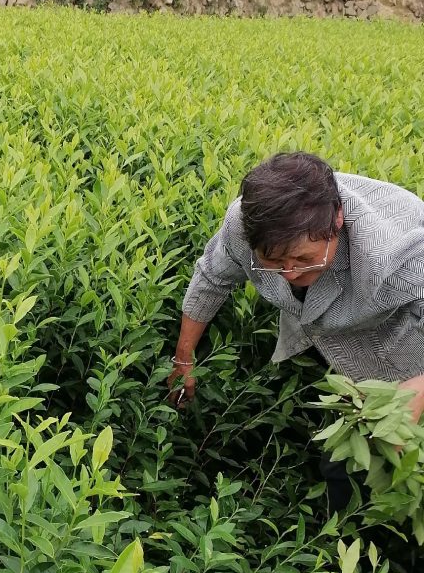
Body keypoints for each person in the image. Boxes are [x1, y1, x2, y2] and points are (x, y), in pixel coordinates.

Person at [169, 152, 424, 510]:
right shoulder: (245, 224)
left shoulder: (402, 249)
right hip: (336, 339)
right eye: (273, 263)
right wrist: (184, 358)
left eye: (304, 260)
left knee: (382, 463)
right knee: (349, 461)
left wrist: (418, 387)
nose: (288, 275)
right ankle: (348, 537)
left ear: (338, 220)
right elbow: (212, 277)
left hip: (407, 342)